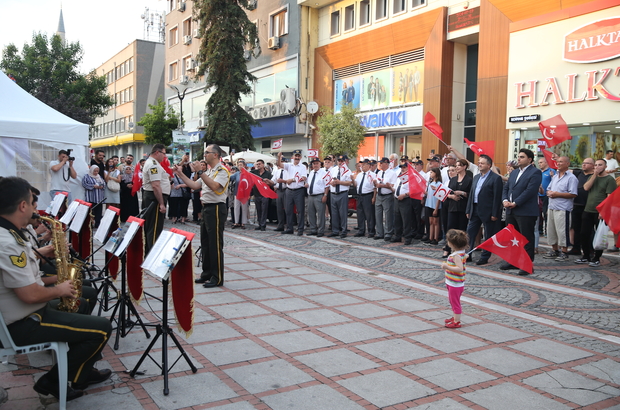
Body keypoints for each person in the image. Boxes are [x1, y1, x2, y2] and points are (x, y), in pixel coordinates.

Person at [0, 177, 112, 402]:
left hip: (26, 313)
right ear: (22, 206)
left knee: (80, 304)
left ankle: (82, 370)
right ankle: (52, 381)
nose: (35, 208)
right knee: (102, 328)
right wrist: (60, 289)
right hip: (23, 322)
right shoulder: (8, 242)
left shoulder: (10, 235)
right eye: (32, 203)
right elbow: (30, 294)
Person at [175, 144, 230, 288]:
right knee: (205, 243)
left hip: (216, 208)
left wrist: (200, 171)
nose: (204, 155)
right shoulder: (210, 171)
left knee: (215, 243)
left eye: (207, 152)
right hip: (206, 208)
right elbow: (194, 185)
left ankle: (217, 277)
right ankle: (207, 273)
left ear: (216, 155)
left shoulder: (222, 171)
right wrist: (180, 174)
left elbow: (214, 186)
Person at [502, 148, 543, 276]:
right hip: (510, 210)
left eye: (522, 157)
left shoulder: (535, 172)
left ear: (529, 160)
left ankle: (527, 265)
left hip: (525, 211)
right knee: (512, 238)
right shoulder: (514, 173)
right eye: (518, 156)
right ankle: (513, 261)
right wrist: (504, 200)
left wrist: (516, 202)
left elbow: (530, 191)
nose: (518, 159)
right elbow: (507, 188)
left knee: (526, 238)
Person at [576, 159, 617, 267]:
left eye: (600, 165)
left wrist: (604, 211)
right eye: (596, 165)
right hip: (588, 209)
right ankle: (586, 256)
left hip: (600, 212)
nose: (598, 167)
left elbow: (609, 198)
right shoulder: (592, 177)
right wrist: (594, 174)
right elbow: (586, 187)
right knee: (584, 234)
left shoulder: (609, 179)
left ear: (605, 166)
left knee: (599, 235)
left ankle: (596, 258)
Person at [465, 155, 503, 265]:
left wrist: (495, 213)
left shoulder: (496, 178)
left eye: (482, 163)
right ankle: (468, 254)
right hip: (475, 209)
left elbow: (497, 197)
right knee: (470, 233)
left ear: (489, 165)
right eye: (479, 162)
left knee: (488, 234)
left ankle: (485, 256)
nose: (479, 164)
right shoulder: (476, 177)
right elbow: (472, 195)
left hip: (488, 211)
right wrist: (469, 210)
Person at [542, 156, 578, 262]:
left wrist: (557, 194)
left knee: (562, 231)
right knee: (551, 230)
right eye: (557, 162)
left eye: (561, 162)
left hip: (563, 208)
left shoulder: (571, 178)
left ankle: (564, 251)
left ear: (567, 163)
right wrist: (549, 193)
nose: (558, 163)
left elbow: (573, 193)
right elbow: (548, 189)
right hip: (552, 207)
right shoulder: (555, 176)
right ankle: (554, 250)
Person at [142, 144, 171, 252]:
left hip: (153, 197)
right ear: (157, 152)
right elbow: (155, 185)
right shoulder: (153, 164)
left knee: (152, 227)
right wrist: (162, 203)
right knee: (154, 228)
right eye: (164, 153)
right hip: (154, 199)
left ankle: (149, 252)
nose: (165, 156)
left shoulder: (153, 163)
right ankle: (152, 254)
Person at [443, 159, 473, 257]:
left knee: (461, 230)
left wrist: (462, 193)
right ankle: (448, 249)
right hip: (452, 206)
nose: (457, 167)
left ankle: (460, 251)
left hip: (463, 207)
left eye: (459, 165)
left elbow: (471, 195)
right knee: (450, 228)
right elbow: (448, 192)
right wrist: (452, 196)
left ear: (464, 167)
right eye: (456, 165)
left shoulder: (469, 180)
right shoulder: (453, 179)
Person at [441, 229, 469, 329]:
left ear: (452, 244)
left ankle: (457, 321)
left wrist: (446, 266)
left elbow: (459, 269)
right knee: (452, 301)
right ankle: (454, 317)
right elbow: (463, 258)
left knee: (455, 302)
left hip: (455, 284)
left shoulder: (456, 256)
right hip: (452, 282)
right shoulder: (462, 253)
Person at [277, 150, 307, 236]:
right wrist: (279, 157)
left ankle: (300, 229)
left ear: (300, 157)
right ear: (293, 157)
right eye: (295, 156)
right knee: (288, 210)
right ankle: (290, 228)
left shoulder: (302, 167)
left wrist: (292, 179)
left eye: (298, 156)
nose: (297, 158)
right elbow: (280, 165)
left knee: (300, 210)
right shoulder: (289, 165)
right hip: (289, 190)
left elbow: (304, 178)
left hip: (299, 190)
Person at [568, 158, 594, 255]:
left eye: (586, 163)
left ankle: (590, 248)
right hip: (576, 204)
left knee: (588, 229)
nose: (584, 165)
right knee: (576, 227)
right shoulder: (579, 173)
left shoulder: (594, 176)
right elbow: (566, 168)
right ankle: (576, 248)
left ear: (592, 165)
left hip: (588, 205)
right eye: (583, 163)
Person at [328, 155, 353, 238]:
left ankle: (343, 230)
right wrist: (332, 183)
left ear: (345, 162)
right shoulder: (333, 170)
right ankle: (335, 230)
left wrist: (339, 182)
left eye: (342, 161)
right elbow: (329, 180)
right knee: (334, 213)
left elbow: (349, 183)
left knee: (343, 213)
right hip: (333, 193)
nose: (340, 162)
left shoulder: (347, 171)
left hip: (342, 193)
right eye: (339, 161)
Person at [373, 157, 396, 241]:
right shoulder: (379, 173)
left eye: (381, 163)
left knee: (388, 215)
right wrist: (375, 183)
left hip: (387, 195)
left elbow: (393, 185)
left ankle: (388, 233)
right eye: (380, 163)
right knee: (378, 215)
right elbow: (377, 184)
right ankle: (379, 232)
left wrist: (382, 185)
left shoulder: (392, 173)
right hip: (379, 195)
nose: (380, 165)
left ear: (386, 164)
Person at [305, 158, 328, 237]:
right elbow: (308, 182)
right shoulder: (311, 172)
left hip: (319, 195)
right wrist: (306, 185)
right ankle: (313, 230)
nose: (315, 165)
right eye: (314, 164)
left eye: (317, 163)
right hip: (310, 196)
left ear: (320, 164)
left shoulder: (324, 173)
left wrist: (325, 195)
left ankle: (321, 231)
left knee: (321, 214)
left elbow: (327, 186)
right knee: (311, 214)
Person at [353, 159, 376, 238]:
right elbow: (356, 184)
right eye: (361, 165)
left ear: (369, 166)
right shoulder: (359, 175)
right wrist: (353, 180)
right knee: (360, 214)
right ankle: (361, 230)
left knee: (369, 214)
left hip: (368, 195)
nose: (362, 166)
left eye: (364, 165)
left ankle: (371, 231)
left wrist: (374, 197)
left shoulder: (372, 175)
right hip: (360, 195)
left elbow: (375, 187)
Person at [251, 159, 274, 231]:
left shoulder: (268, 173)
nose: (258, 165)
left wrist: (267, 181)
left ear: (263, 165)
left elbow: (271, 183)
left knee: (264, 210)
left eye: (259, 164)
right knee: (259, 210)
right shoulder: (254, 172)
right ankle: (260, 224)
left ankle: (263, 225)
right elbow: (247, 174)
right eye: (257, 164)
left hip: (265, 194)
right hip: (257, 194)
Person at [538, 157, 555, 236]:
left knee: (546, 213)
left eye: (541, 162)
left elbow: (555, 182)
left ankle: (547, 231)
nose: (539, 164)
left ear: (546, 162)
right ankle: (540, 229)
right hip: (538, 195)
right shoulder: (538, 172)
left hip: (546, 196)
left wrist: (552, 176)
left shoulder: (551, 171)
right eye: (539, 163)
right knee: (538, 213)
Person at [425, 167, 443, 245]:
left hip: (435, 205)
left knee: (436, 222)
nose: (430, 174)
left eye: (432, 172)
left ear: (436, 173)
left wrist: (436, 208)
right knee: (431, 222)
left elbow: (439, 197)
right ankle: (430, 237)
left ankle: (436, 238)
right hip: (429, 204)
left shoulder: (439, 184)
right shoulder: (430, 183)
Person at [232, 159, 249, 229]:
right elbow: (230, 178)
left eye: (241, 165)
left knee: (244, 208)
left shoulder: (247, 174)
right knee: (236, 208)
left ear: (244, 166)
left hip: (245, 194)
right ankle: (236, 222)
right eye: (238, 165)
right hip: (237, 193)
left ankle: (243, 223)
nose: (239, 166)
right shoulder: (237, 174)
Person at [272, 161, 288, 231]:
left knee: (287, 209)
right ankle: (280, 225)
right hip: (279, 190)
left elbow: (291, 180)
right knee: (279, 209)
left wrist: (283, 181)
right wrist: (270, 183)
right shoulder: (277, 171)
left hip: (286, 190)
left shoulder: (288, 171)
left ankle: (288, 226)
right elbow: (273, 180)